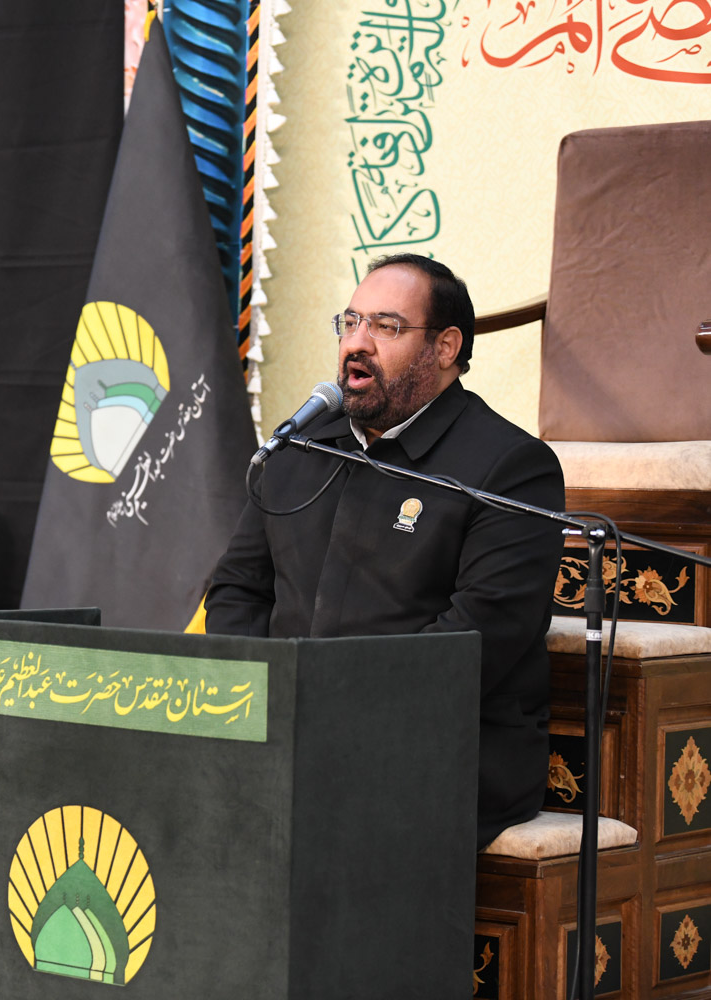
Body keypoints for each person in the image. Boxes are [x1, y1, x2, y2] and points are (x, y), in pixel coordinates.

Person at [194, 253, 565, 849]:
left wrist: (320, 715)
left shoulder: (509, 467)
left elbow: (475, 638)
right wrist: (254, 698)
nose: (356, 343)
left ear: (445, 347)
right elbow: (239, 588)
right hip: (288, 731)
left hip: (436, 751)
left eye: (385, 327)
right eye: (350, 323)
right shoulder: (301, 447)